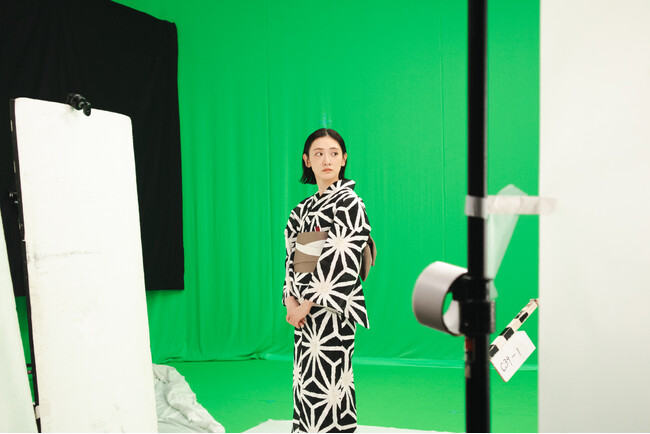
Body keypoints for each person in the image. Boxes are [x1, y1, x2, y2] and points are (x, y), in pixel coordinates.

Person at [283, 128, 371, 433]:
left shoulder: (350, 203)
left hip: (332, 309)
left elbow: (341, 259)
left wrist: (306, 304)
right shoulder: (301, 210)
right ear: (307, 160)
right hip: (303, 311)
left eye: (334, 153)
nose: (327, 160)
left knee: (331, 382)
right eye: (318, 154)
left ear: (344, 159)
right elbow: (293, 260)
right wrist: (290, 300)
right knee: (304, 381)